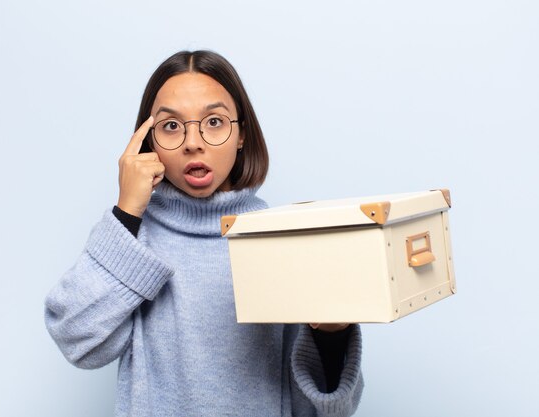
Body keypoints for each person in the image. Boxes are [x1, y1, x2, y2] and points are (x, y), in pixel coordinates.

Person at [44, 50, 363, 417]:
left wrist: (331, 335)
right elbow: (76, 340)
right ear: (148, 143)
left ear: (241, 134)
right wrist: (127, 211)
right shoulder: (131, 240)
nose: (193, 142)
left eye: (214, 121)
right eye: (171, 126)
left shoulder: (278, 240)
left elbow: (329, 409)